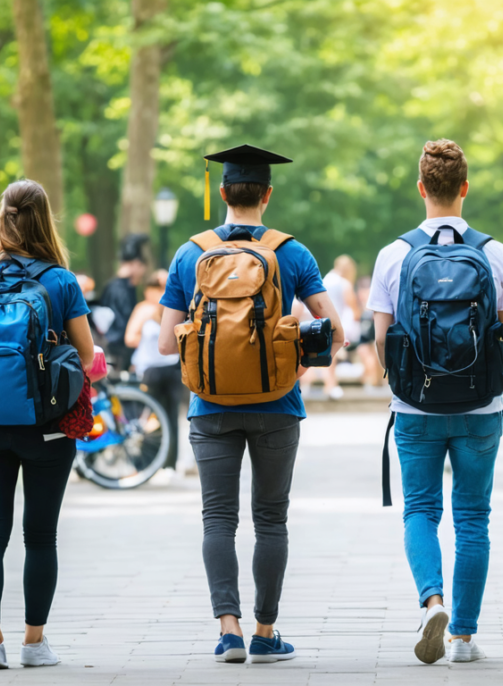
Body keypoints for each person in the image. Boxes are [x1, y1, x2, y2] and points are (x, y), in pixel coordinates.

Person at [157, 143, 343, 665]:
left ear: (221, 192)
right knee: (271, 519)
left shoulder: (190, 253)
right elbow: (335, 330)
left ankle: (229, 631)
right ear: (266, 194)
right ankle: (266, 630)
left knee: (217, 518)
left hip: (209, 407)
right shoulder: (291, 252)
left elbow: (165, 344)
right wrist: (295, 360)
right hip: (277, 404)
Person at [370, 139, 503, 665]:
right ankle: (462, 637)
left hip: (416, 406)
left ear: (421, 188)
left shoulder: (394, 255)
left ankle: (431, 599)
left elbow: (381, 341)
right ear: (464, 188)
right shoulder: (494, 253)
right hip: (481, 406)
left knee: (420, 510)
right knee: (473, 518)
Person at [0, 180, 96, 670]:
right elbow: (87, 355)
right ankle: (35, 643)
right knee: (41, 536)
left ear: (2, 218)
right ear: (45, 219)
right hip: (48, 427)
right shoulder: (60, 281)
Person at [125, 271, 186, 477]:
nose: (162, 291)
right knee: (148, 417)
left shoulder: (175, 307)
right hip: (150, 369)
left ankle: (170, 464)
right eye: (158, 286)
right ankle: (145, 464)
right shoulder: (144, 309)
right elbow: (130, 337)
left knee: (171, 417)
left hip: (172, 367)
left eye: (165, 286)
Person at [309, 255, 360, 400]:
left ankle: (329, 385)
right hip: (339, 323)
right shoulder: (344, 283)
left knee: (327, 353)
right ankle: (331, 386)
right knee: (334, 355)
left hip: (323, 321)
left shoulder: (325, 280)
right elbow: (353, 307)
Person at [101, 234, 150, 370]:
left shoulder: (115, 287)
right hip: (117, 354)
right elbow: (123, 325)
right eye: (142, 266)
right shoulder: (121, 290)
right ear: (135, 264)